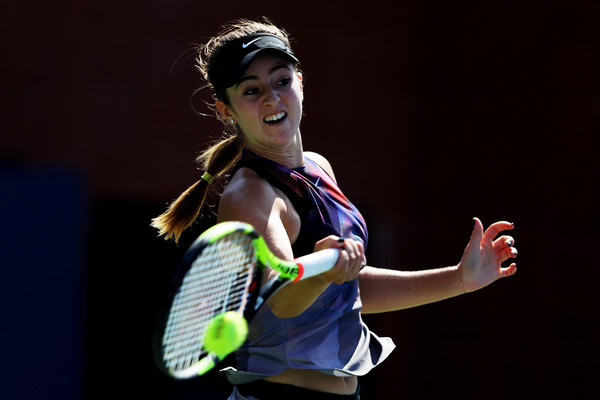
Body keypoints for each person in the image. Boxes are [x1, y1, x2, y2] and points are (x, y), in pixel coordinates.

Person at [152, 18, 518, 400]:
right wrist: (324, 273)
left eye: (281, 80)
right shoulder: (251, 198)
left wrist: (460, 279)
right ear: (226, 111)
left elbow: (348, 288)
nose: (272, 99)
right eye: (251, 90)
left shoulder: (317, 167)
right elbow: (283, 301)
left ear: (301, 82)